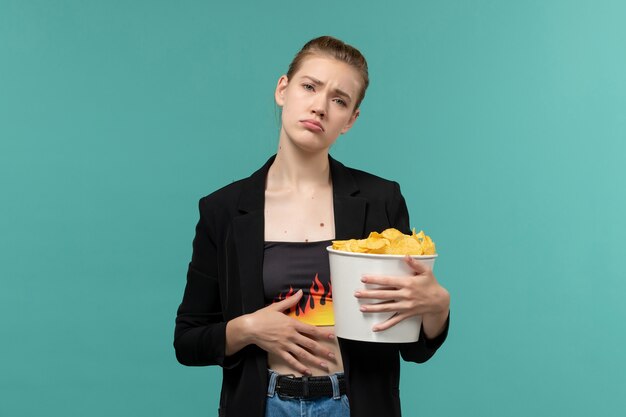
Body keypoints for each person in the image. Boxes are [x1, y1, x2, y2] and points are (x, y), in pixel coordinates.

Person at [174, 35, 450, 417]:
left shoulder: (382, 200)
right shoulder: (223, 209)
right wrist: (250, 328)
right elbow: (187, 340)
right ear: (283, 90)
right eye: (309, 87)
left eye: (339, 100)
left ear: (350, 120)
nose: (320, 107)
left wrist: (437, 309)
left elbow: (413, 347)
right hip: (264, 404)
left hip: (356, 404)